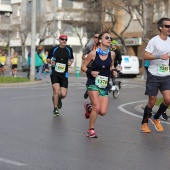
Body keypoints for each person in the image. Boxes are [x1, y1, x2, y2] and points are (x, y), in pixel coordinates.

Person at [81, 31, 117, 138]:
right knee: (97, 107)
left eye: (110, 38)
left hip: (104, 84)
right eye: (107, 38)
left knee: (103, 111)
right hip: (93, 82)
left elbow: (111, 66)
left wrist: (114, 70)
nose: (109, 39)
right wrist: (90, 72)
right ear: (100, 40)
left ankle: (88, 108)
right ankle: (90, 130)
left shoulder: (112, 54)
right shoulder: (93, 54)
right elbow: (83, 66)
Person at [140, 17, 170, 133]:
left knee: (168, 100)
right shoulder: (154, 41)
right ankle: (144, 123)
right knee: (152, 101)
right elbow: (146, 56)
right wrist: (159, 56)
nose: (169, 28)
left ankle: (156, 117)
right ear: (161, 27)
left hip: (166, 74)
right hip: (153, 74)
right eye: (167, 26)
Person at [47, 34, 74, 116]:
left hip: (64, 74)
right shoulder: (54, 49)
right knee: (56, 90)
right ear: (59, 40)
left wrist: (70, 62)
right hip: (55, 73)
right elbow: (48, 58)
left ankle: (58, 99)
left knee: (63, 94)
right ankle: (55, 108)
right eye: (62, 39)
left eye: (66, 39)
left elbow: (71, 58)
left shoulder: (69, 49)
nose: (64, 41)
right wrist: (50, 61)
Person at [82, 33, 99, 99]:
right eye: (95, 37)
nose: (97, 39)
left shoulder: (101, 47)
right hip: (89, 66)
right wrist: (87, 59)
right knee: (90, 79)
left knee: (96, 81)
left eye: (98, 37)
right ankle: (88, 90)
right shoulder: (89, 46)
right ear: (94, 38)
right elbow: (83, 56)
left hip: (97, 67)